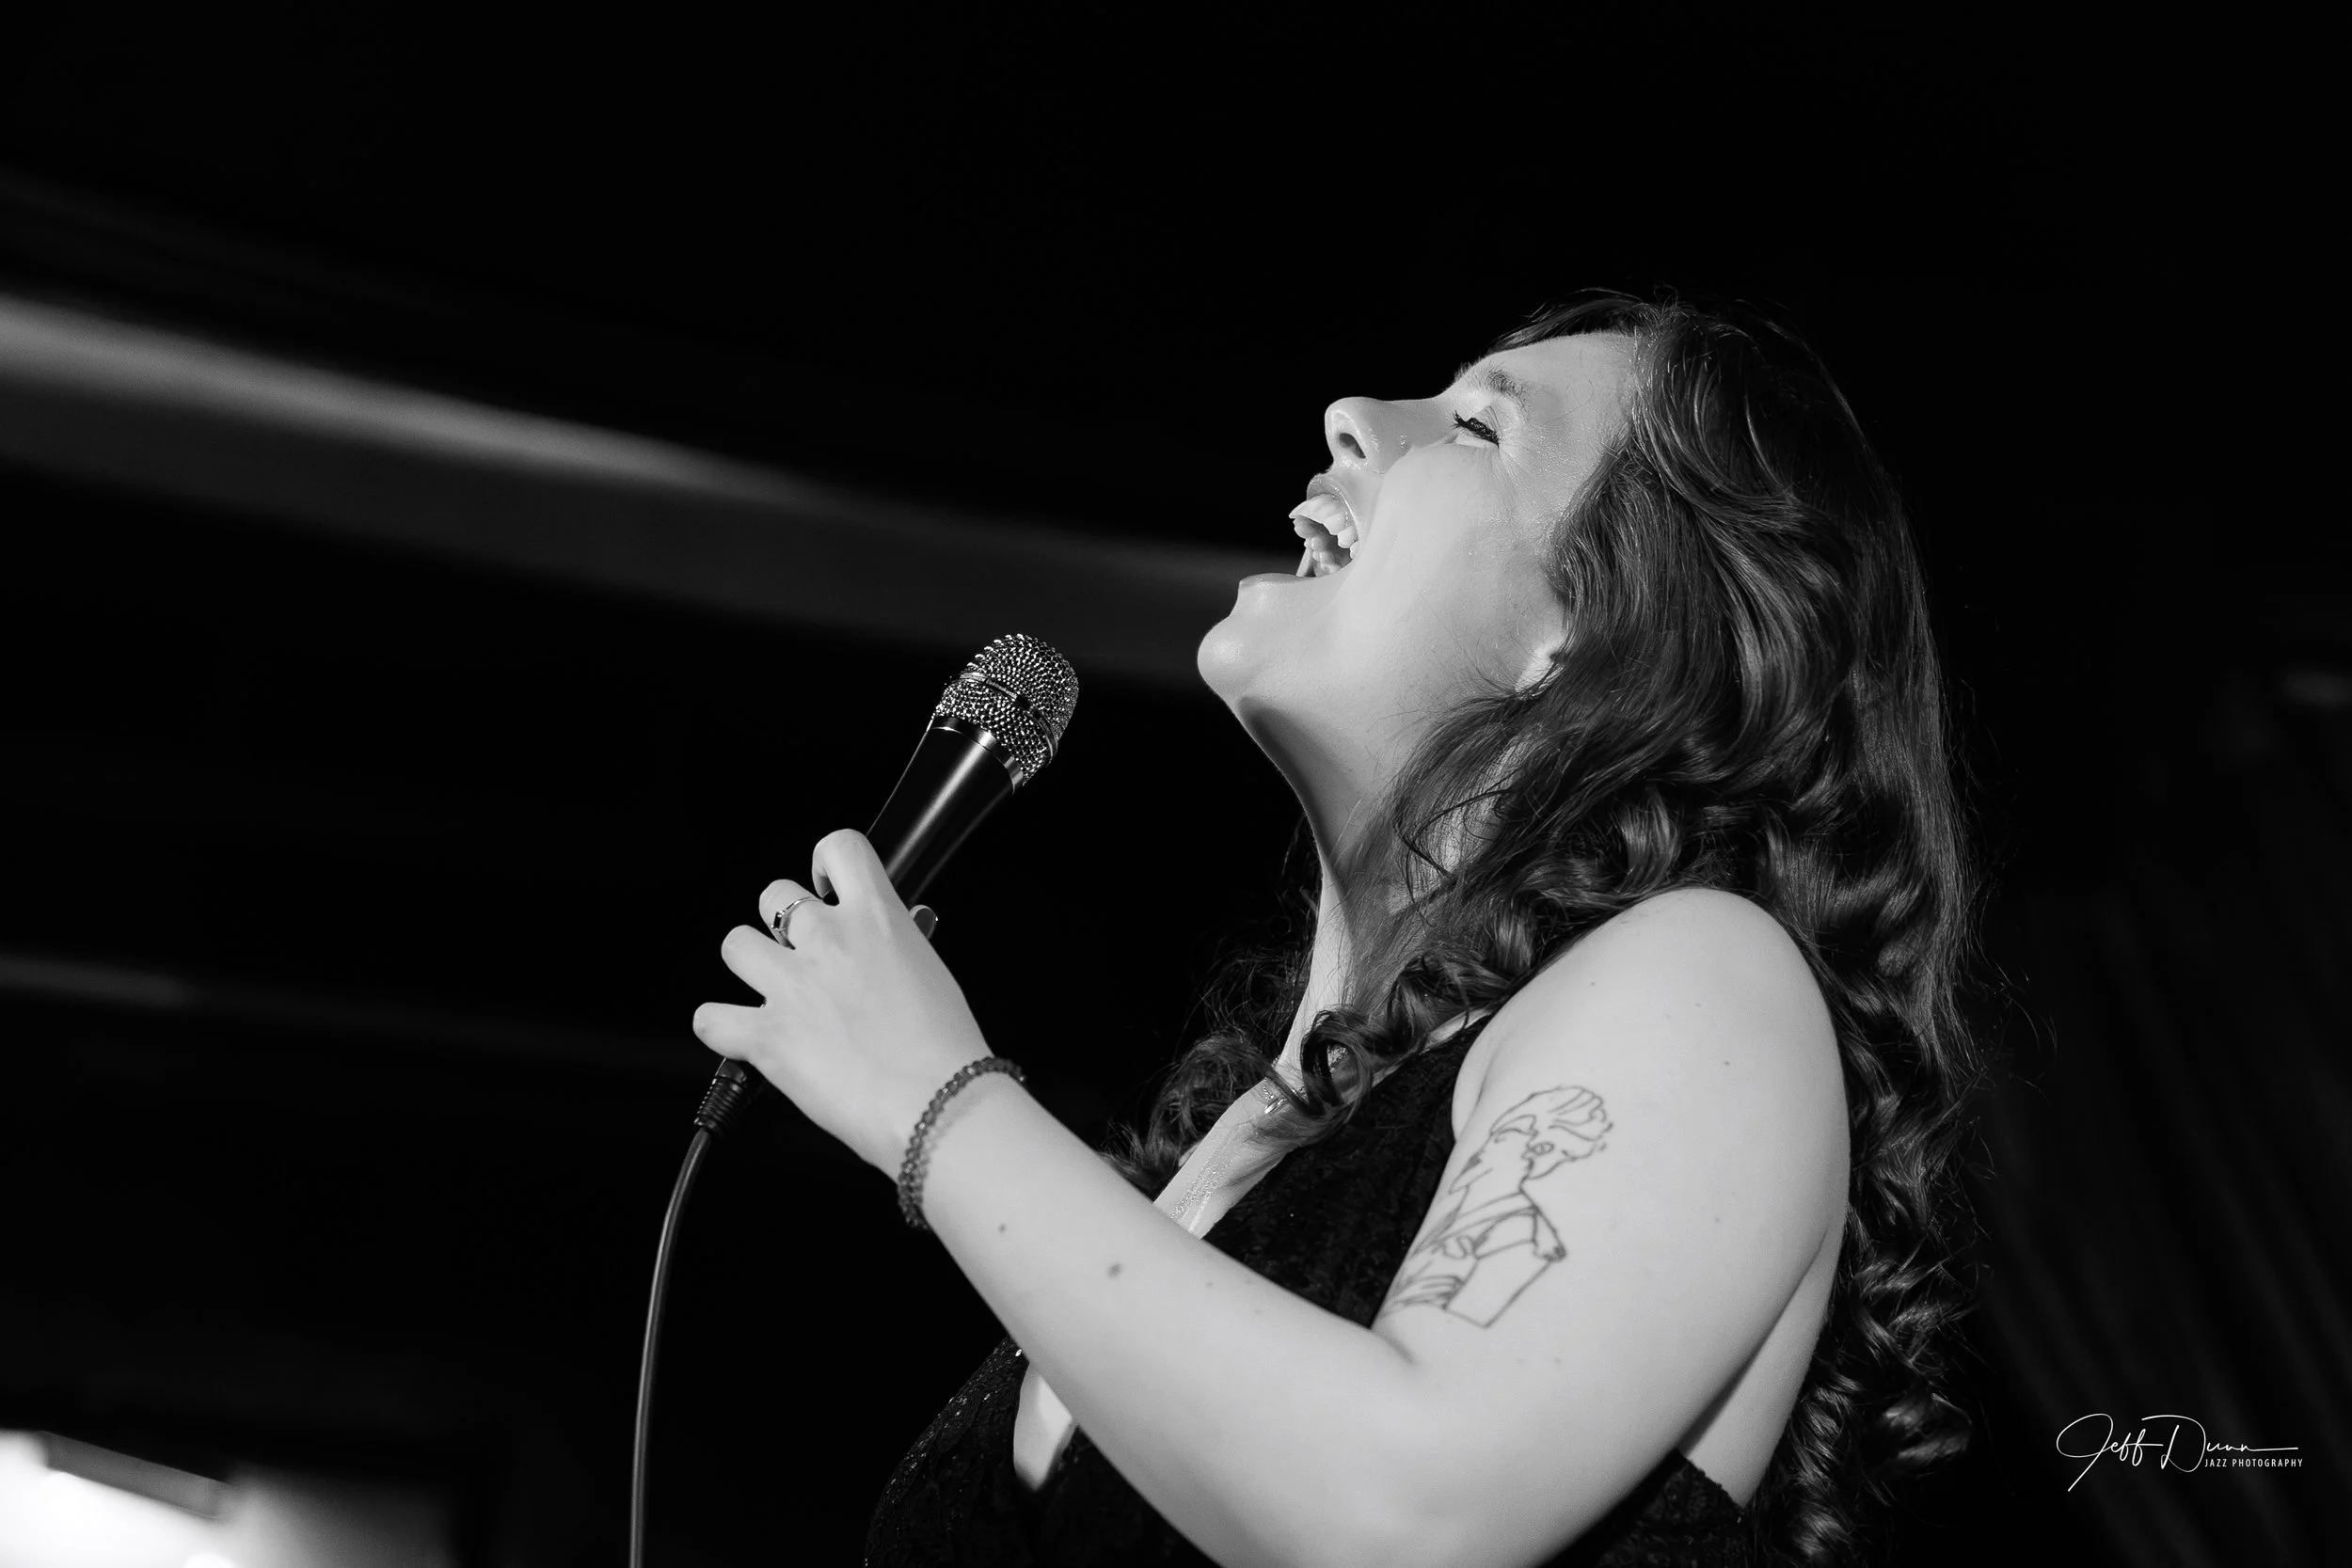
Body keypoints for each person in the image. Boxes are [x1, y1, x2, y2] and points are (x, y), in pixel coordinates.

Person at [694, 290, 1987, 1566]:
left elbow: (1411, 1513)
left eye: (1478, 427)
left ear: (1605, 625)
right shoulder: (1241, 1145)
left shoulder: (1712, 981)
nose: (1351, 414)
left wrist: (940, 1107)